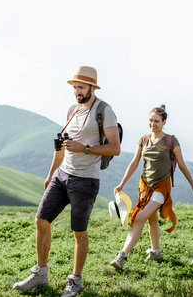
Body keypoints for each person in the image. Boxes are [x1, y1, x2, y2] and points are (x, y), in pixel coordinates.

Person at [13, 66, 120, 296]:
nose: (76, 92)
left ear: (92, 87)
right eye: (74, 87)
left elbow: (115, 147)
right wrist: (51, 173)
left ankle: (75, 281)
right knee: (41, 220)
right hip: (62, 176)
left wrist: (85, 148)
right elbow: (61, 145)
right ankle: (40, 273)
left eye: (80, 87)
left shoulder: (104, 110)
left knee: (78, 232)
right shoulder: (73, 109)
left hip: (85, 180)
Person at [110, 105, 193, 270]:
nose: (153, 124)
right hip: (145, 187)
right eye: (151, 120)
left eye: (157, 121)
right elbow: (134, 163)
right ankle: (156, 252)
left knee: (139, 217)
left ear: (164, 122)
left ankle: (122, 256)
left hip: (161, 187)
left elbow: (181, 164)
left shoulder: (171, 141)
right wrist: (122, 183)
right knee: (151, 219)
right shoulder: (144, 139)